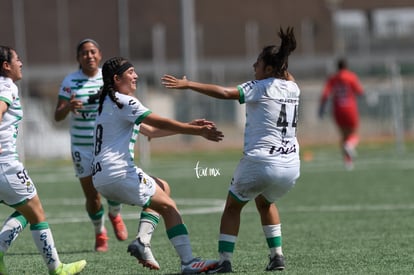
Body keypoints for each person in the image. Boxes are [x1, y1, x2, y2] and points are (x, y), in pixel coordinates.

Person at [162, 27, 300, 273]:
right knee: (265, 203)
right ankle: (277, 256)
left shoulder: (261, 87)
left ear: (269, 69)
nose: (253, 66)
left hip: (261, 162)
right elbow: (285, 74)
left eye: (257, 63)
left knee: (232, 207)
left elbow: (225, 92)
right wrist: (280, 59)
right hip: (290, 166)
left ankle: (224, 261)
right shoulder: (293, 88)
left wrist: (188, 83)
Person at [92, 56, 224, 274]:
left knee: (162, 186)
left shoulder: (108, 102)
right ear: (117, 78)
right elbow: (157, 121)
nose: (136, 76)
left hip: (102, 177)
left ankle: (142, 242)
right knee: (170, 207)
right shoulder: (125, 102)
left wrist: (187, 126)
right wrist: (195, 131)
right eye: (131, 72)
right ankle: (188, 262)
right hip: (118, 173)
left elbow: (151, 131)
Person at [0, 45, 86, 274]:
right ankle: (56, 268)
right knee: (36, 212)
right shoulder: (7, 85)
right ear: (6, 65)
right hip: (4, 165)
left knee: (25, 210)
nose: (21, 63)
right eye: (17, 59)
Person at [54, 38, 128, 252]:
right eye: (84, 53)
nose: (89, 56)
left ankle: (114, 214)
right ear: (78, 58)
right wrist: (68, 106)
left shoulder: (108, 79)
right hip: (81, 147)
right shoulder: (70, 81)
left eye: (93, 52)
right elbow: (57, 116)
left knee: (113, 187)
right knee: (92, 196)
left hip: (107, 144)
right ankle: (100, 233)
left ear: (100, 54)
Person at [318, 57, 364, 170]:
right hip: (350, 109)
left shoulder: (333, 78)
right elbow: (360, 91)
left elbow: (325, 95)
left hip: (338, 110)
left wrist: (321, 109)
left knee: (344, 136)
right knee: (353, 134)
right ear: (346, 66)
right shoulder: (351, 76)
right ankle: (350, 146)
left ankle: (348, 162)